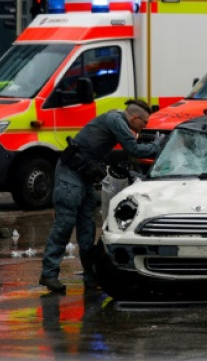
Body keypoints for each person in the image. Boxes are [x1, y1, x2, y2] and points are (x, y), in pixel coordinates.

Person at [39, 99, 162, 293]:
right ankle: (49, 274)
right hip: (70, 175)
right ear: (135, 117)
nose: (144, 126)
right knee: (64, 226)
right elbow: (134, 150)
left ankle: (91, 278)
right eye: (144, 123)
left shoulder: (114, 119)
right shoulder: (116, 120)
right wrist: (159, 146)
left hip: (82, 176)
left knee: (87, 230)